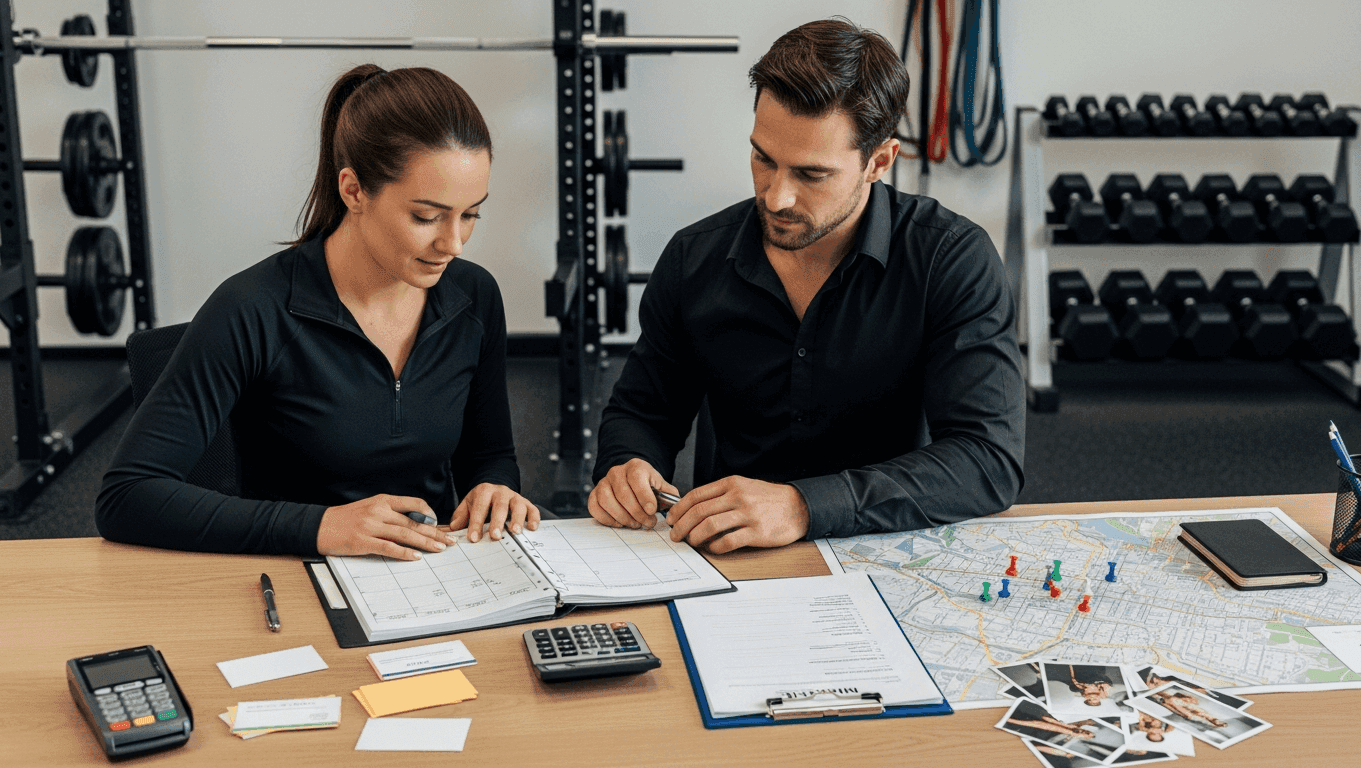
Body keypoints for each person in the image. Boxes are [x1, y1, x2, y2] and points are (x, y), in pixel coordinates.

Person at [588, 18, 1023, 553]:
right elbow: (641, 412)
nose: (776, 197)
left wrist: (803, 506)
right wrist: (625, 466)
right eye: (763, 159)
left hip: (885, 545)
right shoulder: (692, 258)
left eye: (811, 174)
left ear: (879, 162)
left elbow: (987, 460)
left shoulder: (950, 258)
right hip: (730, 554)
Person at [97, 64, 538, 560]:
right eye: (426, 216)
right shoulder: (253, 308)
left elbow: (490, 454)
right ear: (353, 191)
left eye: (471, 214)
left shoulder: (474, 297)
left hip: (430, 575)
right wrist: (321, 526)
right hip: (293, 574)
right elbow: (127, 495)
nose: (453, 244)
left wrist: (495, 488)